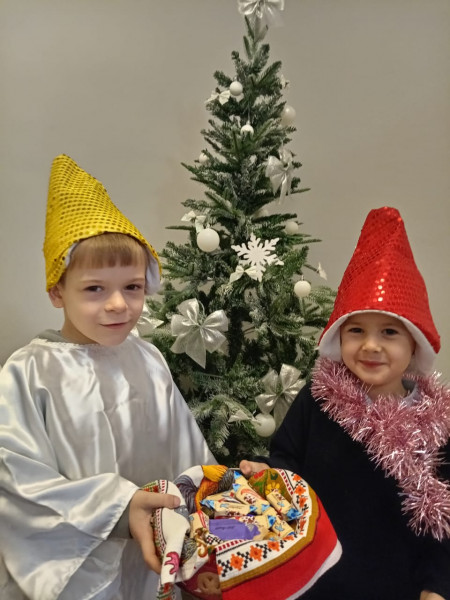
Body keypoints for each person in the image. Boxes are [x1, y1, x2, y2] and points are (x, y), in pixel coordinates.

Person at [0, 154, 215, 600]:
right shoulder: (30, 372)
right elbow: (16, 481)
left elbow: (185, 450)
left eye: (132, 287)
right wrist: (117, 509)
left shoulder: (148, 358)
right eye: (95, 288)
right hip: (78, 568)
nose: (119, 304)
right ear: (57, 291)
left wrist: (214, 492)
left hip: (151, 563)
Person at [240, 206, 450, 600]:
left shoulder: (436, 426)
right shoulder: (318, 401)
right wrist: (266, 472)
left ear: (414, 344)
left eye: (389, 332)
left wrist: (436, 586)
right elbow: (287, 463)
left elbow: (443, 524)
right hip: (317, 584)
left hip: (399, 589)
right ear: (339, 338)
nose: (370, 345)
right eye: (356, 330)